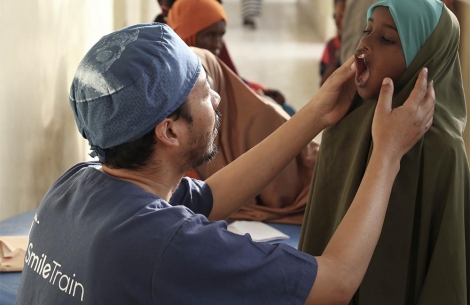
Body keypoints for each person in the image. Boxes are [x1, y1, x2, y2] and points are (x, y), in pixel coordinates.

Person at [15, 23, 434, 305]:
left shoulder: (76, 184)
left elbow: (212, 196)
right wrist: (387, 154)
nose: (217, 100)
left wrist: (316, 115)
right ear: (170, 132)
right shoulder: (167, 245)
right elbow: (337, 282)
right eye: (203, 92)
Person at [299, 1, 469, 304]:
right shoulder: (344, 125)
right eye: (367, 30)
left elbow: (447, 267)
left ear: (424, 58)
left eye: (386, 39)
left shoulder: (444, 150)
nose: (364, 44)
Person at [190, 46, 318, 224]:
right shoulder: (187, 131)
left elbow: (283, 189)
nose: (215, 100)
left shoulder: (261, 118)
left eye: (207, 88)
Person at [167, 0, 297, 116]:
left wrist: (258, 92)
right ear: (187, 32)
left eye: (221, 35)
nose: (217, 44)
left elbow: (232, 79)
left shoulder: (212, 53)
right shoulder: (174, 73)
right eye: (210, 35)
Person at [320, 0, 345, 86]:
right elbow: (322, 82)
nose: (337, 21)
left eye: (342, 16)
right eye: (335, 16)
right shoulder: (331, 45)